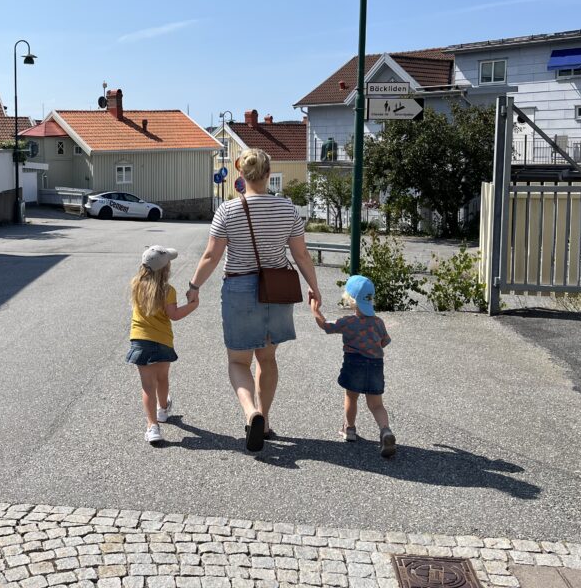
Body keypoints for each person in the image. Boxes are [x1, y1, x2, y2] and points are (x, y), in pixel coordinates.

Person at [187, 148, 320, 452]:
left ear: (240, 174)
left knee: (238, 361)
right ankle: (267, 419)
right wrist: (314, 287)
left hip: (239, 290)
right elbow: (301, 254)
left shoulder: (228, 211)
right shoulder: (288, 209)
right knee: (267, 358)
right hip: (276, 289)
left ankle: (252, 413)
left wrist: (194, 285)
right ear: (268, 174)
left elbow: (211, 255)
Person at [310, 275, 396, 458]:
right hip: (375, 365)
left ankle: (349, 429)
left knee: (351, 397)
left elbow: (325, 326)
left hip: (354, 363)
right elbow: (384, 342)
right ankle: (385, 430)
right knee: (376, 404)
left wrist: (314, 308)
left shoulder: (347, 322)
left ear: (351, 300)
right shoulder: (378, 322)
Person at [126, 245, 199, 445]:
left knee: (147, 386)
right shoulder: (168, 290)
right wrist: (193, 305)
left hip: (140, 339)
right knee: (162, 378)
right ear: (165, 269)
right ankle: (163, 408)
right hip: (162, 341)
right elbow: (174, 315)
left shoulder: (136, 284)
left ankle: (152, 427)